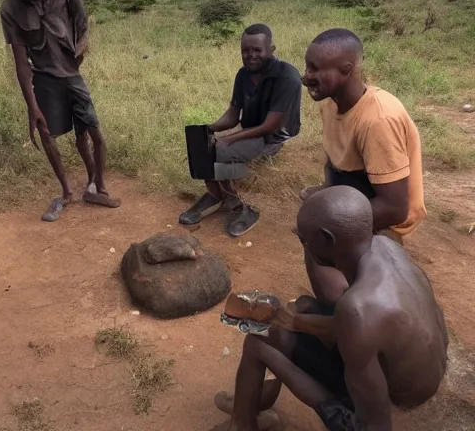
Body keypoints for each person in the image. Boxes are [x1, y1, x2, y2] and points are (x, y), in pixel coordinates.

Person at [215, 186, 448, 431]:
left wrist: (285, 367)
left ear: (327, 239)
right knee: (303, 307)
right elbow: (356, 325)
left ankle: (243, 424)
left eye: (304, 240)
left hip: (393, 397)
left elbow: (372, 425)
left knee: (257, 343)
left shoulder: (358, 310)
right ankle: (253, 404)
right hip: (423, 375)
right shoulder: (386, 247)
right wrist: (294, 322)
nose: (303, 244)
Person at [301, 28, 426, 304]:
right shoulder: (331, 102)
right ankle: (338, 311)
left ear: (347, 71)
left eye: (315, 68)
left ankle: (343, 318)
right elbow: (336, 159)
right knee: (314, 233)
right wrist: (325, 193)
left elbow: (395, 208)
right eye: (307, 65)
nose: (307, 75)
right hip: (357, 196)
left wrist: (324, 219)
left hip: (384, 216)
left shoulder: (378, 119)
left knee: (315, 237)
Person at [0, 0, 120, 222]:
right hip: (43, 79)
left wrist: (80, 50)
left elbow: (82, 24)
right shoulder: (10, 8)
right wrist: (32, 108)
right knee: (46, 133)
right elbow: (21, 63)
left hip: (72, 75)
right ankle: (66, 193)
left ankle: (98, 186)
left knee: (93, 132)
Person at [179, 24, 302, 237]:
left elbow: (269, 126)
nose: (251, 56)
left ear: (271, 49)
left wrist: (228, 140)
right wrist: (208, 129)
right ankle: (219, 195)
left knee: (219, 152)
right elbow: (233, 115)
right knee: (201, 147)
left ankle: (247, 206)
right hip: (255, 131)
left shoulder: (286, 76)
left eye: (257, 50)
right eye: (246, 51)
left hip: (274, 137)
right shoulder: (243, 75)